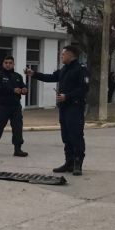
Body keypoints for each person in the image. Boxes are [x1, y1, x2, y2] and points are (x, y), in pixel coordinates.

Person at [26, 45, 88, 175]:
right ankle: (69, 162)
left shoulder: (80, 69)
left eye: (63, 54)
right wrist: (34, 74)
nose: (61, 56)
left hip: (75, 107)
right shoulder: (64, 69)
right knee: (66, 136)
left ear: (70, 54)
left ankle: (78, 163)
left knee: (76, 135)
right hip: (64, 107)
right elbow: (51, 77)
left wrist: (67, 96)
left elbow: (84, 88)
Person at [0, 56, 28, 157]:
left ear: (13, 64)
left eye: (10, 63)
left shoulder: (18, 76)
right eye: (6, 62)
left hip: (15, 107)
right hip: (3, 106)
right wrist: (13, 90)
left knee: (18, 128)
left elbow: (23, 86)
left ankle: (18, 149)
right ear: (3, 64)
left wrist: (24, 89)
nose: (8, 65)